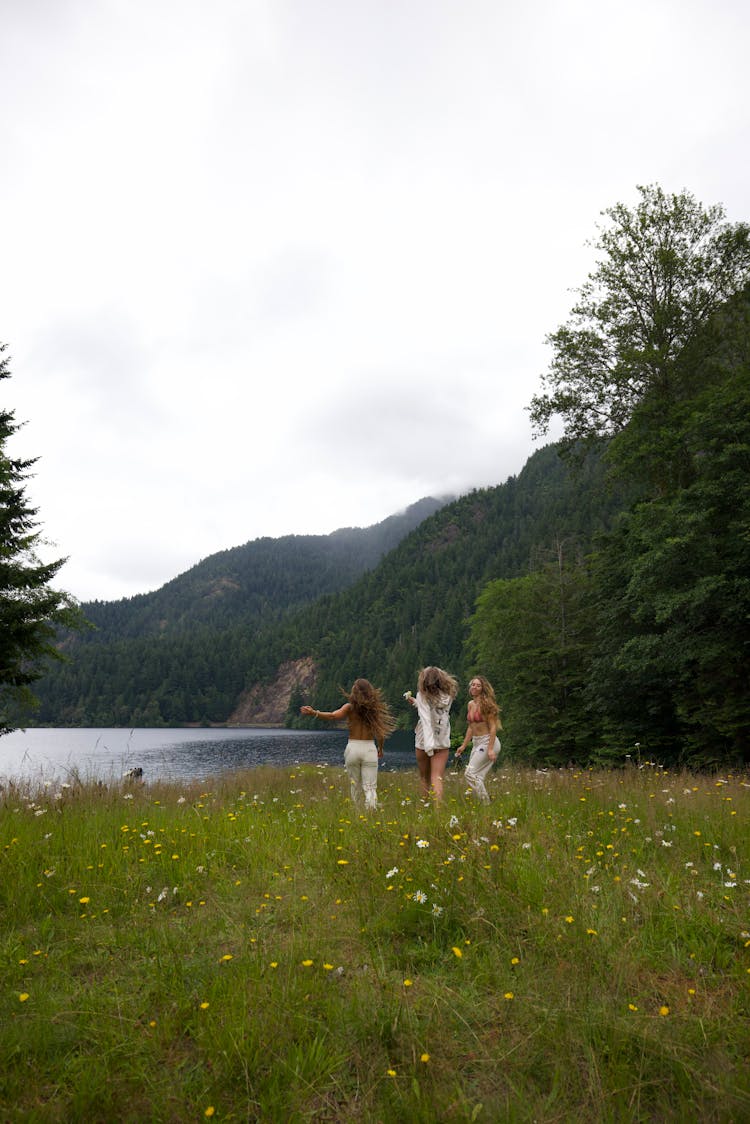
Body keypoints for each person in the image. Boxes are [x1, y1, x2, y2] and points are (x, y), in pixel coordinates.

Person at [301, 679, 395, 811]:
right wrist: (380, 748)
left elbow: (333, 716)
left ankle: (358, 813)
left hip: (353, 748)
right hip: (369, 749)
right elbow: (380, 734)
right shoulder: (374, 710)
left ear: (354, 692)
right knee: (370, 787)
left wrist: (314, 713)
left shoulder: (349, 707)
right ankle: (371, 812)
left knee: (355, 784)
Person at [405, 666, 458, 802]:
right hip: (442, 737)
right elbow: (435, 710)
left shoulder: (422, 695)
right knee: (437, 777)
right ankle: (438, 810)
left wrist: (429, 746)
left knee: (424, 777)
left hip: (424, 740)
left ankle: (425, 805)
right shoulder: (449, 696)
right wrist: (417, 704)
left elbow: (426, 719)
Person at [454, 675, 501, 803]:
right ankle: (485, 804)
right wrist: (463, 746)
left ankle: (486, 803)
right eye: (473, 684)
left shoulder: (487, 704)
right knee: (477, 777)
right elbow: (471, 727)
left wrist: (490, 749)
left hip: (488, 742)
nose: (474, 687)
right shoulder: (470, 704)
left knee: (469, 773)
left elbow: (493, 728)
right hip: (476, 743)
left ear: (482, 688)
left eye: (478, 685)